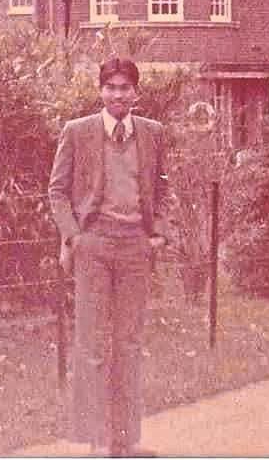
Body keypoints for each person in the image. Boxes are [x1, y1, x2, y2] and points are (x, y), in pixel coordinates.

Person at [49, 57, 168, 457]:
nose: (118, 95)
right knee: (92, 344)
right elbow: (57, 191)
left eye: (125, 87)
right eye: (111, 87)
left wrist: (158, 235)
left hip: (135, 246)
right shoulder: (78, 132)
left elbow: (162, 188)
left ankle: (125, 440)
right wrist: (74, 238)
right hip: (94, 246)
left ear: (136, 92)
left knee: (129, 344)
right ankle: (98, 441)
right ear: (101, 91)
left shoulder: (153, 133)